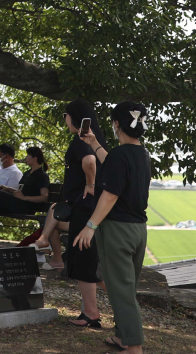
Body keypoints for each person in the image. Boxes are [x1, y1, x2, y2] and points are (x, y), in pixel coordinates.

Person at [73, 101, 151, 354]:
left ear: (117, 124)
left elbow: (110, 195)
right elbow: (113, 163)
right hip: (138, 231)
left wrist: (90, 226)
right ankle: (121, 337)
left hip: (117, 230)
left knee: (122, 293)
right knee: (125, 287)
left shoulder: (121, 154)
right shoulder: (140, 153)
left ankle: (134, 347)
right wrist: (94, 143)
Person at [36, 99, 106, 329]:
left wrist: (90, 184)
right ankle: (101, 309)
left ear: (72, 117)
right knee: (91, 262)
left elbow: (89, 162)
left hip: (84, 208)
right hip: (93, 209)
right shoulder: (98, 139)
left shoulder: (80, 140)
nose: (64, 120)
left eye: (65, 116)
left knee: (84, 262)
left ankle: (91, 313)